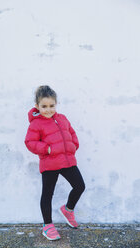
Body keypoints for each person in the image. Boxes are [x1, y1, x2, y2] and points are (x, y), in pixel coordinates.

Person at [24, 85, 85, 241]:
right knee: (48, 194)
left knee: (79, 186)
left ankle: (68, 209)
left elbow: (71, 133)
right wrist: (48, 149)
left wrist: (73, 145)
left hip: (67, 160)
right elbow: (30, 142)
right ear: (37, 106)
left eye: (51, 106)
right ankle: (47, 225)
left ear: (56, 104)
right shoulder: (36, 124)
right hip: (50, 163)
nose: (48, 109)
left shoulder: (62, 118)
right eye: (44, 106)